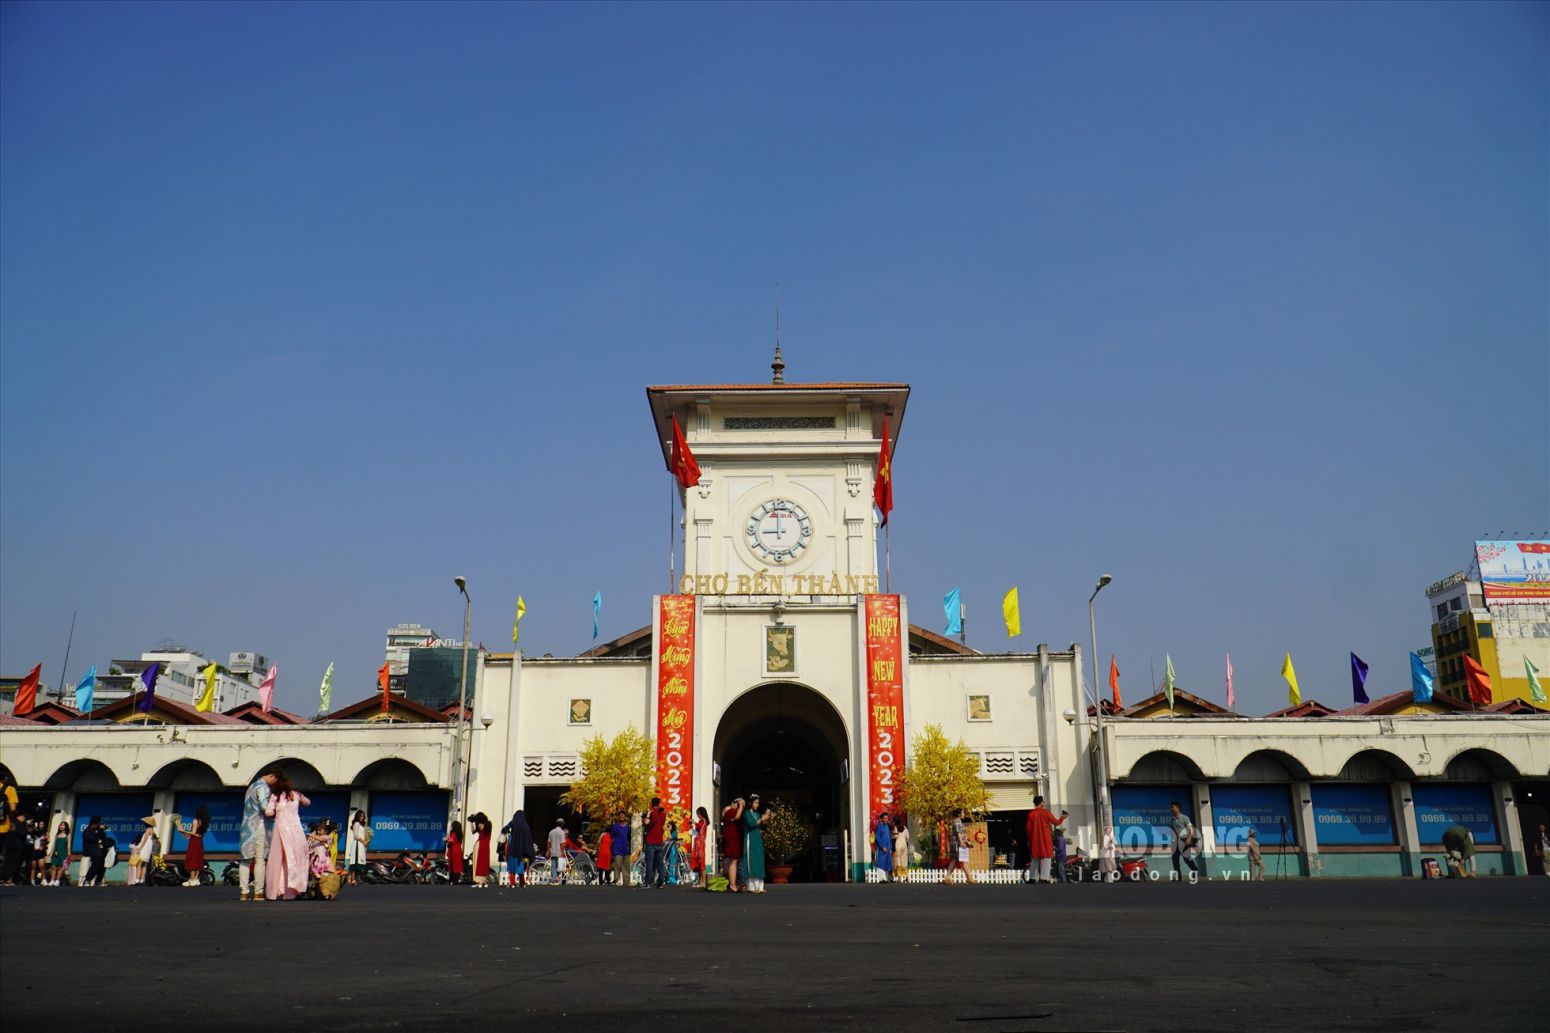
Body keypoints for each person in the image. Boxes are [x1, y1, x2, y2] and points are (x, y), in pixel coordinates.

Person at [262, 769, 311, 900]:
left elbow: (268, 812)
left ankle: (275, 890)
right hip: (296, 830)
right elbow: (307, 802)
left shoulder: (275, 797)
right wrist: (300, 798)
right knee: (296, 858)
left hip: (280, 830)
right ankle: (295, 890)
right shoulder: (296, 794)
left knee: (278, 860)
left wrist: (274, 810)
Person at [239, 767, 279, 901]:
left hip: (246, 828)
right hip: (260, 826)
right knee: (260, 860)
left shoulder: (251, 786)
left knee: (245, 860)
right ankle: (258, 892)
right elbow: (265, 807)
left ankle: (244, 892)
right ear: (272, 776)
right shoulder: (264, 787)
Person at [1024, 797, 1064, 884]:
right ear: (1041, 802)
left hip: (1035, 840)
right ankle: (1044, 878)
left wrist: (1029, 840)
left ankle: (1032, 878)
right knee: (1046, 858)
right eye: (1043, 801)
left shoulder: (1031, 814)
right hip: (1045, 839)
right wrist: (1063, 817)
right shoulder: (1046, 813)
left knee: (1035, 859)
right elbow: (1056, 822)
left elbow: (1028, 829)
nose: (1044, 803)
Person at [175, 805, 211, 887]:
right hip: (199, 841)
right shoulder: (203, 822)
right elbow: (195, 834)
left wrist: (182, 829)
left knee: (192, 859)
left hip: (194, 841)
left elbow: (193, 833)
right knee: (198, 859)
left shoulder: (195, 820)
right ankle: (195, 879)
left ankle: (191, 879)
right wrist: (183, 832)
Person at [501, 810, 535, 887]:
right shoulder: (526, 826)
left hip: (512, 848)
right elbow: (528, 839)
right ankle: (522, 883)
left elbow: (504, 829)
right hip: (521, 850)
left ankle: (512, 883)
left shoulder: (513, 822)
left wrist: (509, 833)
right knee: (520, 866)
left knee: (511, 866)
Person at [742, 794, 767, 893]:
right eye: (755, 802)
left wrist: (766, 820)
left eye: (758, 803)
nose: (757, 805)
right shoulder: (747, 813)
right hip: (750, 839)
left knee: (759, 860)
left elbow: (761, 826)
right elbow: (752, 824)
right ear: (750, 803)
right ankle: (752, 887)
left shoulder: (757, 814)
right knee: (752, 860)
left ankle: (760, 887)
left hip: (757, 839)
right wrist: (762, 819)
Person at [0, 768, 20, 886]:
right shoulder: (9, 789)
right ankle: (4, 877)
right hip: (3, 827)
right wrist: (11, 820)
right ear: (6, 778)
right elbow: (13, 808)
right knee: (4, 853)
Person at [641, 797, 666, 889]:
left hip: (650, 840)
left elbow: (647, 822)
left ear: (652, 803)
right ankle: (661, 882)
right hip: (659, 840)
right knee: (660, 862)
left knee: (650, 862)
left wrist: (647, 816)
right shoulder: (663, 813)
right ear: (659, 803)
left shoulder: (651, 812)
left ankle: (648, 882)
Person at [1168, 801, 1198, 879]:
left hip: (1184, 841)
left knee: (1187, 859)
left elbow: (1190, 829)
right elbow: (1173, 831)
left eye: (1173, 807)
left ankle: (1194, 869)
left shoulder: (1184, 817)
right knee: (1175, 859)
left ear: (1177, 808)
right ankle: (1178, 877)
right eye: (1171, 807)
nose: (1171, 809)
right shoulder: (1172, 819)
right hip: (1176, 843)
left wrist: (1189, 839)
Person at [720, 799, 744, 892]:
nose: (738, 808)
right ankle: (732, 884)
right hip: (731, 838)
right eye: (737, 805)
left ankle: (733, 883)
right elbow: (737, 816)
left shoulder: (726, 810)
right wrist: (741, 805)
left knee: (733, 861)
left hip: (731, 837)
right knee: (733, 861)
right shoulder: (729, 809)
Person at [947, 808, 976, 885]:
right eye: (963, 813)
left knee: (955, 860)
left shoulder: (959, 822)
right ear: (959, 814)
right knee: (963, 860)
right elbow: (958, 833)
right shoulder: (957, 822)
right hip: (957, 843)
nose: (964, 814)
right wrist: (962, 842)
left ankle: (947, 877)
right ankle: (969, 878)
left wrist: (967, 842)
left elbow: (962, 834)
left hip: (957, 842)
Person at [128, 817, 159, 887]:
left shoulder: (148, 829)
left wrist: (140, 847)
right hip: (148, 847)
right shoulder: (152, 830)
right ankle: (142, 880)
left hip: (145, 847)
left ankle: (137, 880)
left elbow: (144, 839)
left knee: (139, 863)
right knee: (144, 865)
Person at [82, 816, 110, 887]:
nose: (98, 825)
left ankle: (98, 881)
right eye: (97, 823)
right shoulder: (87, 831)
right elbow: (92, 839)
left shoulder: (99, 830)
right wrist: (100, 831)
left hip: (102, 851)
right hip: (93, 851)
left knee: (103, 866)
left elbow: (103, 837)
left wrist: (102, 830)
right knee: (96, 865)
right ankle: (87, 880)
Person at [344, 810, 370, 885]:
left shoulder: (362, 825)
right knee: (355, 860)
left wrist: (367, 840)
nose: (362, 817)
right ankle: (352, 878)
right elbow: (356, 835)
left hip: (361, 845)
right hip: (357, 844)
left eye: (363, 816)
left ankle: (351, 877)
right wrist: (363, 841)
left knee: (360, 860)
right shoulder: (356, 824)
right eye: (361, 816)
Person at [469, 813, 493, 887]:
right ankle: (484, 881)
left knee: (477, 864)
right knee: (484, 864)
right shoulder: (489, 824)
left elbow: (473, 832)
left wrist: (471, 822)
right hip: (486, 847)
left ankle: (478, 882)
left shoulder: (480, 825)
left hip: (479, 846)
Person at [608, 814, 631, 888]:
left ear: (625, 817)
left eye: (623, 816)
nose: (621, 818)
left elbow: (629, 836)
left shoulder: (628, 826)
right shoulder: (616, 826)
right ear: (618, 818)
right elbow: (611, 835)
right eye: (620, 816)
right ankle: (616, 879)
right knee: (617, 865)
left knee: (626, 865)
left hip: (626, 848)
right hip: (618, 848)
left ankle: (626, 881)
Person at [690, 806, 710, 888]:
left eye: (698, 814)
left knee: (701, 863)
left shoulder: (703, 821)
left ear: (702, 813)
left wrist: (694, 822)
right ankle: (700, 881)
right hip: (698, 844)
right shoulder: (701, 821)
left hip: (700, 845)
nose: (698, 815)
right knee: (698, 863)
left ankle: (703, 882)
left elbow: (699, 826)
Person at [48, 820, 71, 886]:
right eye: (60, 825)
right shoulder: (57, 834)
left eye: (63, 825)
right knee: (53, 866)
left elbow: (68, 844)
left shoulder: (68, 834)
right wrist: (51, 852)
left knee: (61, 867)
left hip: (63, 852)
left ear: (66, 827)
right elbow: (54, 844)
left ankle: (57, 881)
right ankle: (52, 880)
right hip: (56, 852)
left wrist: (69, 852)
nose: (61, 826)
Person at [873, 811, 893, 882]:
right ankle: (882, 879)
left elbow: (889, 837)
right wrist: (882, 846)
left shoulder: (887, 826)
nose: (886, 819)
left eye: (887, 818)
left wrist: (890, 847)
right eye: (885, 818)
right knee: (881, 862)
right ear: (881, 819)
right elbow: (877, 837)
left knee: (887, 862)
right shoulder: (879, 826)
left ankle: (886, 878)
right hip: (881, 848)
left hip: (887, 848)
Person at [547, 818, 568, 884]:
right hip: (559, 852)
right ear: (562, 824)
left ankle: (554, 879)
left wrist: (548, 850)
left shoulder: (551, 832)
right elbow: (563, 843)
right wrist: (562, 852)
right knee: (559, 867)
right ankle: (555, 879)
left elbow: (548, 842)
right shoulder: (561, 832)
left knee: (553, 866)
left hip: (553, 851)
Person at [446, 820, 466, 885]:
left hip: (453, 851)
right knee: (457, 866)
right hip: (458, 850)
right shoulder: (460, 833)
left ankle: (452, 880)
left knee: (452, 866)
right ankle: (456, 880)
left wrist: (446, 839)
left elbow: (450, 841)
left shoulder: (453, 833)